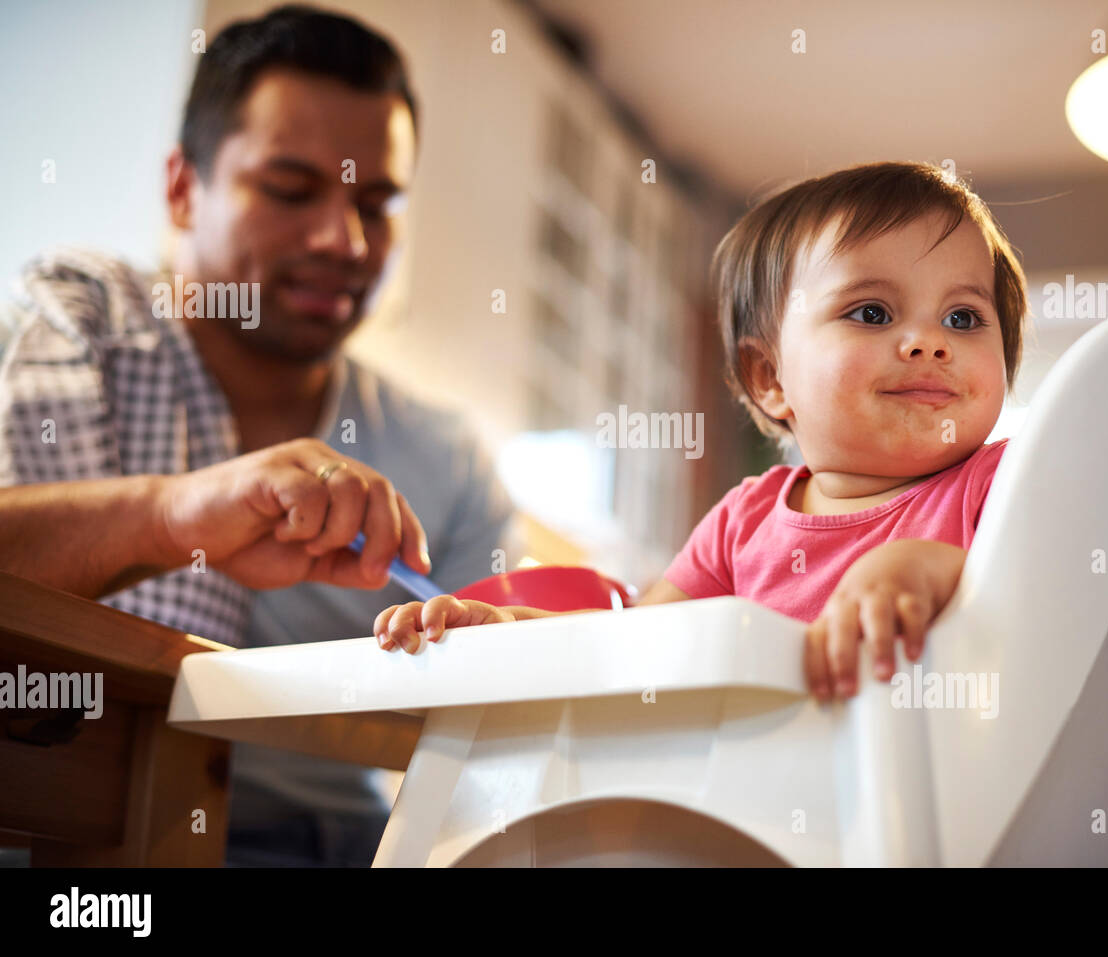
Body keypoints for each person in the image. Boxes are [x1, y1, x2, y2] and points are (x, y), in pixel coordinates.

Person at [0, 5, 514, 865]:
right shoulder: (72, 337)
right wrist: (172, 518)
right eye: (289, 189)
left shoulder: (447, 460)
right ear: (181, 187)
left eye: (376, 203)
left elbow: (504, 726)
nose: (342, 240)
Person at [374, 161, 1027, 703]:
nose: (927, 342)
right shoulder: (741, 523)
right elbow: (635, 644)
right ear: (769, 375)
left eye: (965, 318)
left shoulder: (1003, 483)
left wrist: (924, 565)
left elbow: (1053, 601)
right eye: (873, 311)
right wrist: (507, 629)